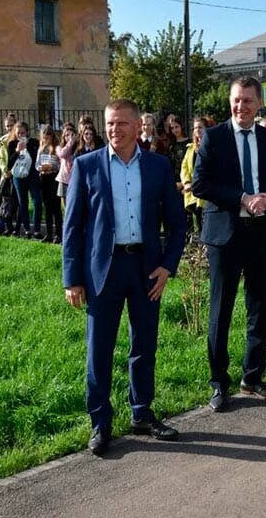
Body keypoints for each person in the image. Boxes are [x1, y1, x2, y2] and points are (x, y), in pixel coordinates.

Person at [63, 99, 187, 456]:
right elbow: (72, 228)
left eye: (121, 123)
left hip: (146, 269)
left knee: (144, 344)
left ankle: (142, 412)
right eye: (110, 124)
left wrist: (168, 265)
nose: (114, 130)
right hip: (104, 270)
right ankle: (100, 423)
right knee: (99, 348)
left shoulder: (158, 166)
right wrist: (72, 278)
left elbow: (177, 222)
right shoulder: (87, 167)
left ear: (138, 126)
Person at [192, 76, 266, 412]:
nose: (241, 106)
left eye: (248, 100)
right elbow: (200, 184)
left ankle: (253, 377)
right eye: (236, 100)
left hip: (260, 233)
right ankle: (219, 383)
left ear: (259, 103)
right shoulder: (215, 137)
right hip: (225, 236)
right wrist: (242, 198)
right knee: (220, 311)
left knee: (258, 308)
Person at [7, 122, 41, 239]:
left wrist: (28, 148)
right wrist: (17, 151)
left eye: (23, 132)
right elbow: (9, 164)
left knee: (37, 201)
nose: (21, 135)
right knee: (23, 202)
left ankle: (37, 229)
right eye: (18, 133)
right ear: (15, 134)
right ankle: (27, 229)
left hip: (32, 176)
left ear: (27, 132)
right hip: (19, 177)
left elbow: (37, 158)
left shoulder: (33, 143)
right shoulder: (12, 144)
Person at [180, 117, 207, 235]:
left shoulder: (211, 146)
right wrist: (186, 182)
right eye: (195, 128)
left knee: (206, 223)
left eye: (200, 127)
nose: (198, 130)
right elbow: (184, 167)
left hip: (206, 193)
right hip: (192, 193)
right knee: (196, 224)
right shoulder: (190, 148)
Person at [36, 125, 62, 243]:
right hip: (44, 178)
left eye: (48, 137)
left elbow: (59, 164)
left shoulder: (56, 148)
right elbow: (37, 165)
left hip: (53, 178)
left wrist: (52, 166)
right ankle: (49, 233)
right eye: (44, 138)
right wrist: (41, 168)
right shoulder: (41, 149)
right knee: (47, 208)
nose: (46, 140)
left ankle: (58, 234)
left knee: (56, 207)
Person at [56, 123, 78, 203]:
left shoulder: (78, 147)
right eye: (67, 135)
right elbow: (62, 154)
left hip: (75, 178)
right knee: (65, 204)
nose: (70, 137)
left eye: (72, 135)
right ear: (63, 137)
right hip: (64, 179)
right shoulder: (59, 147)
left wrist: (73, 144)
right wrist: (70, 144)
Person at [167, 115, 192, 187]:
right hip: (173, 182)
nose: (175, 130)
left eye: (177, 127)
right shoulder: (171, 145)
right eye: (172, 128)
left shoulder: (190, 143)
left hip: (187, 181)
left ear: (181, 126)